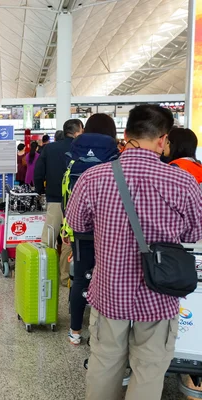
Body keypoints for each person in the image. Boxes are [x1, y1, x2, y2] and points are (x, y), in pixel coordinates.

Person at [66, 104, 202, 400]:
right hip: (159, 294)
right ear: (163, 140)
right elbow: (194, 234)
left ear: (126, 135)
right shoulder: (183, 182)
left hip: (110, 291)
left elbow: (76, 223)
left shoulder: (94, 178)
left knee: (104, 364)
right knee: (150, 370)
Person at [62, 113, 119, 345]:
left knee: (81, 277)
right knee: (111, 278)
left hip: (81, 230)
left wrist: (67, 228)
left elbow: (67, 190)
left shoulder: (75, 155)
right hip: (111, 229)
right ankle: (105, 330)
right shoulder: (115, 156)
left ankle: (75, 331)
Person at [34, 119, 83, 285]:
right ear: (78, 131)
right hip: (75, 201)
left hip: (54, 198)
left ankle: (43, 273)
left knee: (48, 236)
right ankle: (65, 277)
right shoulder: (81, 148)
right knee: (69, 238)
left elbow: (38, 171)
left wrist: (40, 189)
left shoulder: (50, 148)